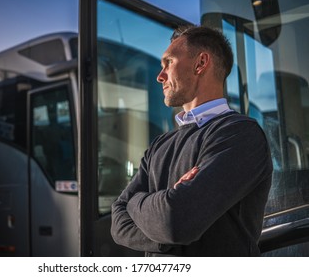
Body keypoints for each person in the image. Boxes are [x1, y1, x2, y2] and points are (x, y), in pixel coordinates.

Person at [110, 25, 273, 256]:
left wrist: (135, 202)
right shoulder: (158, 146)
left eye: (169, 63)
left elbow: (175, 221)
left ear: (200, 63)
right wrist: (166, 224)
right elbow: (117, 222)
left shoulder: (241, 135)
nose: (160, 76)